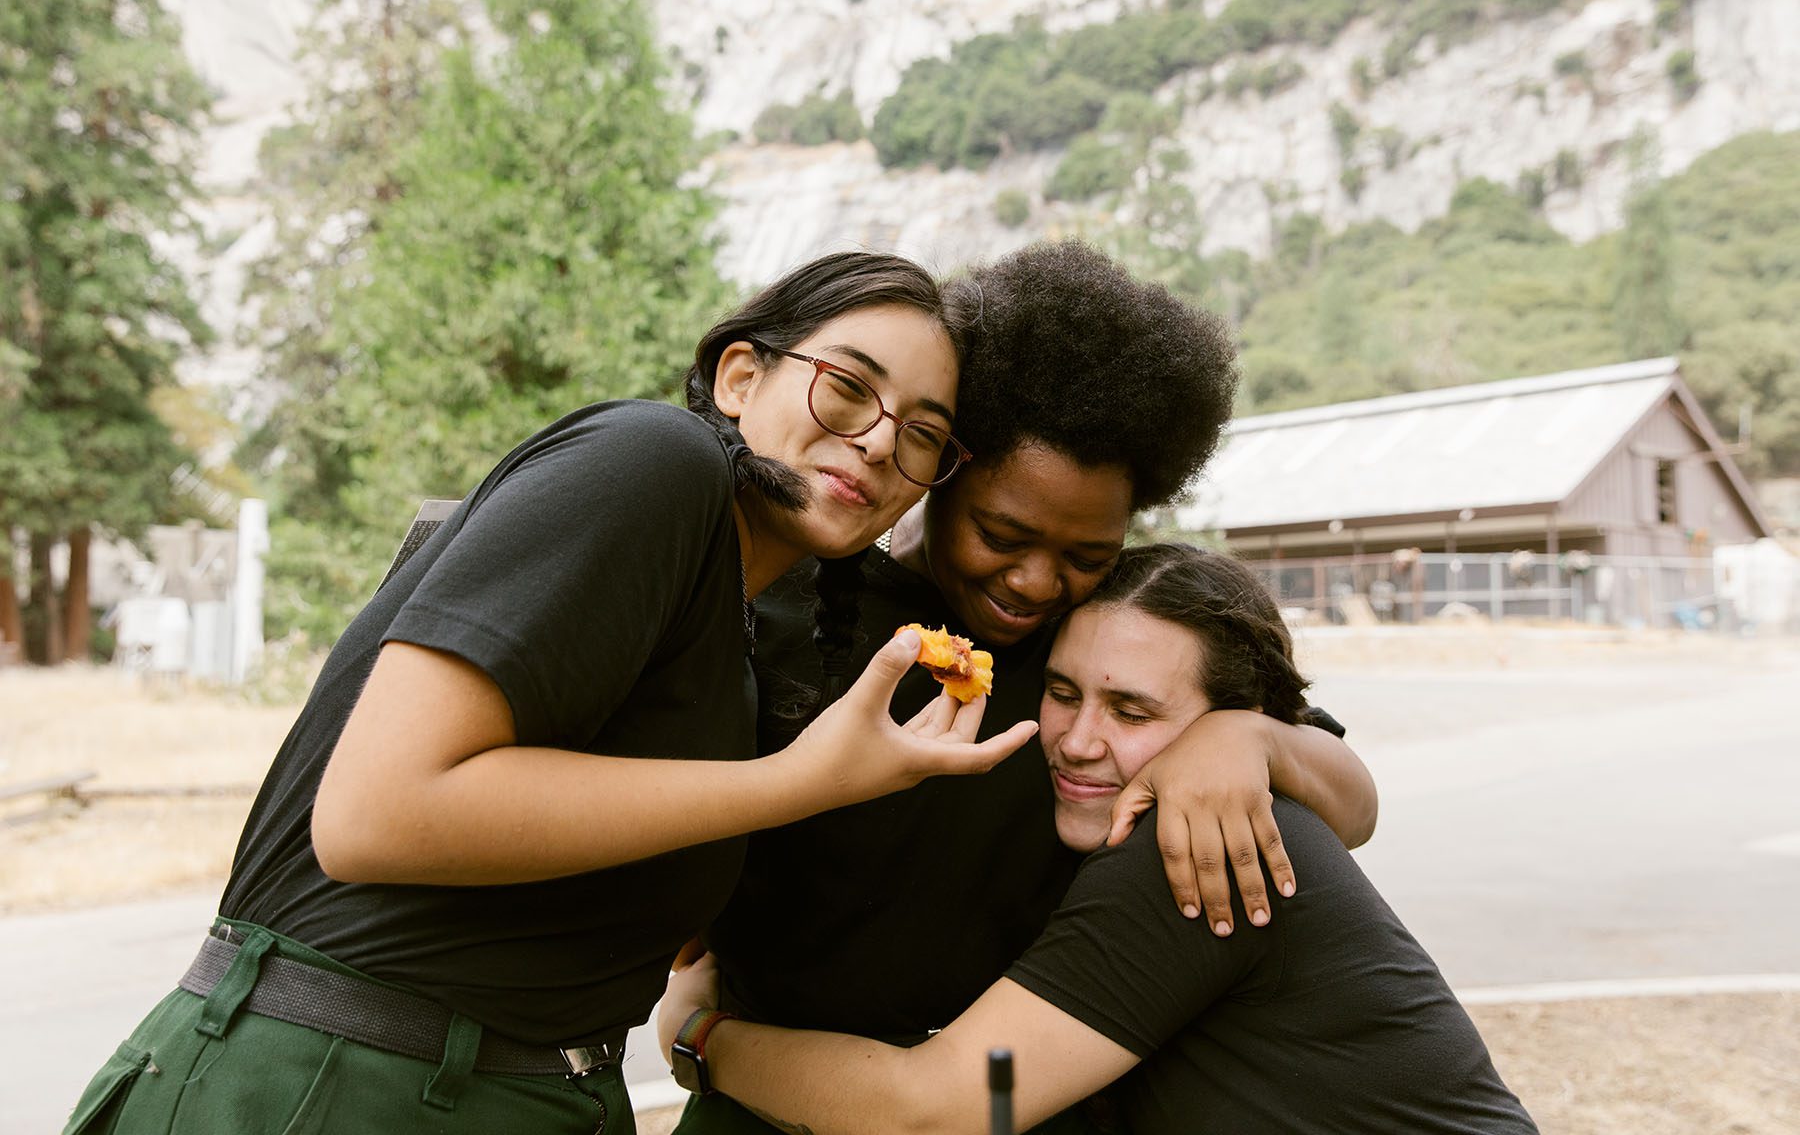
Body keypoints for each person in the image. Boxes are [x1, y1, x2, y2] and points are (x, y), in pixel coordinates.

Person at [61, 252, 1040, 1135]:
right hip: (345, 1082)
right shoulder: (658, 461)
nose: (877, 443)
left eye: (922, 435)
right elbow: (376, 813)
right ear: (740, 377)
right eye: (848, 389)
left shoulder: (726, 650)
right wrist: (806, 781)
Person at [679, 242, 1380, 1135]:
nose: (1037, 583)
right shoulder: (790, 598)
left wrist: (1249, 739)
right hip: (775, 1099)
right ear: (939, 466)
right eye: (1001, 534)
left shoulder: (1106, 650)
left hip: (1000, 1102)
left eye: (1086, 555)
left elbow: (1351, 808)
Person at [659, 542, 1539, 1134]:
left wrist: (700, 1038)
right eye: (1065, 691)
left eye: (1133, 710)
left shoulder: (1191, 848)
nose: (1077, 740)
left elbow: (932, 1112)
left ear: (1230, 721)